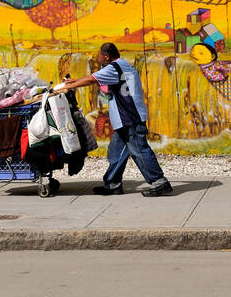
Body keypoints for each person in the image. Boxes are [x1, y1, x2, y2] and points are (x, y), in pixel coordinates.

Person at [59, 42, 172, 196]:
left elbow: (92, 79)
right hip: (125, 118)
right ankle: (113, 184)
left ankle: (159, 181)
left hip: (130, 117)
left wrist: (68, 86)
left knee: (139, 149)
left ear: (106, 56)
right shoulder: (121, 65)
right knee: (116, 152)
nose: (98, 59)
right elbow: (94, 78)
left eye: (100, 56)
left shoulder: (114, 68)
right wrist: (74, 81)